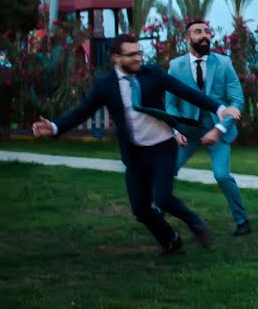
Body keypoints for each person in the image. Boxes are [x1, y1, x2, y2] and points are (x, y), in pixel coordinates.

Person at [31, 33, 242, 255]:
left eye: (139, 53)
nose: (138, 58)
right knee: (140, 209)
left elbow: (186, 92)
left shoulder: (153, 74)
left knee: (162, 197)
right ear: (116, 58)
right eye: (131, 55)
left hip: (162, 146)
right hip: (135, 153)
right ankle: (170, 240)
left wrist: (219, 109)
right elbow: (82, 112)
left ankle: (195, 222)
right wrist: (55, 127)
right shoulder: (105, 85)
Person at [166, 20, 252, 235]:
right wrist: (176, 130)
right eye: (198, 32)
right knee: (166, 171)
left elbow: (237, 101)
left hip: (218, 128)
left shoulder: (223, 63)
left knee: (222, 175)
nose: (204, 35)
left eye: (206, 31)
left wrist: (219, 130)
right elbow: (170, 103)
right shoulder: (176, 66)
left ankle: (242, 221)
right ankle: (156, 215)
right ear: (187, 38)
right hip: (188, 129)